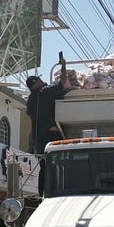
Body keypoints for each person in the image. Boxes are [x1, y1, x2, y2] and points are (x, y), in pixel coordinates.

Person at [26, 52, 72, 196]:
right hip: (50, 136)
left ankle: (44, 195)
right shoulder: (45, 92)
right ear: (36, 83)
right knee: (59, 165)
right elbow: (64, 83)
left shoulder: (30, 101)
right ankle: (61, 190)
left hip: (37, 140)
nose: (43, 81)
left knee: (44, 167)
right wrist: (63, 65)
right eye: (40, 79)